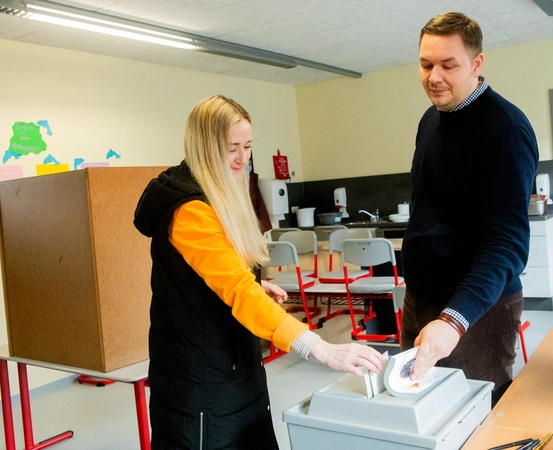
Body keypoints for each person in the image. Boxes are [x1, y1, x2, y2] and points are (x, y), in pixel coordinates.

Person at [133, 94, 384, 450]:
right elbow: (236, 290)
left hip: (232, 365)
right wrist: (319, 347)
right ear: (204, 148)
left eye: (248, 146)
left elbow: (216, 273)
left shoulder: (216, 193)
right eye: (231, 147)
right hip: (200, 379)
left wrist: (255, 281)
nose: (242, 158)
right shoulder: (190, 209)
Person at [400, 12, 539, 404]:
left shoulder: (505, 129)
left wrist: (453, 319)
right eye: (426, 65)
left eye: (448, 65)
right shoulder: (432, 119)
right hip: (421, 299)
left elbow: (507, 243)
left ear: (477, 63)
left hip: (477, 308)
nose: (434, 77)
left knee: (475, 418)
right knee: (423, 405)